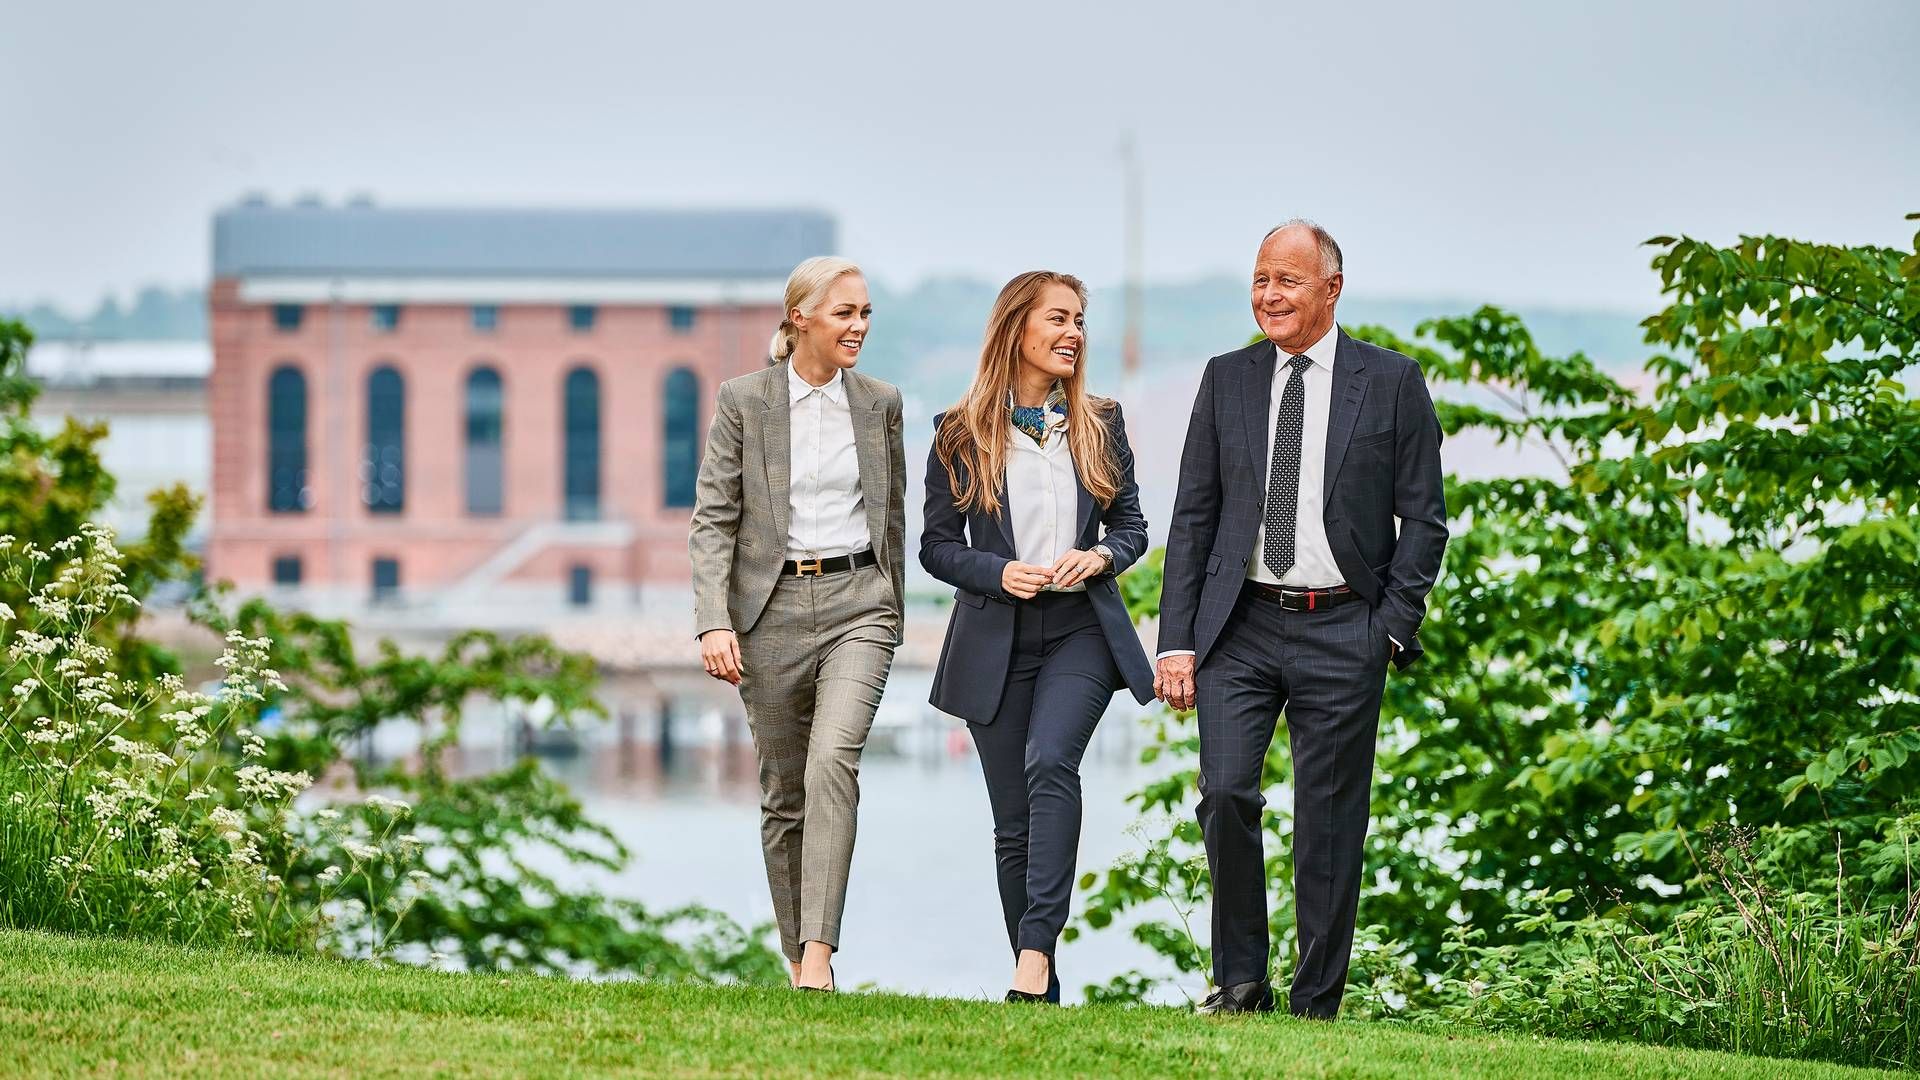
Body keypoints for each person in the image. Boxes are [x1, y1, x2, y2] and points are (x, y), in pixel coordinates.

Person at [1155, 220, 1448, 1017]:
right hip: (1239, 625)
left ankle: (1316, 1003)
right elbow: (1193, 517)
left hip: (1346, 626)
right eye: (1259, 280)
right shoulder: (1226, 378)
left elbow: (1424, 520)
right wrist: (1175, 642)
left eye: (1286, 280)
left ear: (1331, 288)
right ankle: (1242, 982)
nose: (1269, 295)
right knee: (1224, 794)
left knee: (1327, 824)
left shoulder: (1391, 381)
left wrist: (1391, 625)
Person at [921, 271, 1155, 1003]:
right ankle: (1042, 990)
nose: (1074, 333)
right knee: (1013, 822)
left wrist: (1103, 555)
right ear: (1017, 327)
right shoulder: (958, 432)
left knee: (1052, 761)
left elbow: (1134, 527)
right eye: (1059, 318)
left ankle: (1031, 956)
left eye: (1080, 320)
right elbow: (935, 547)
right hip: (996, 637)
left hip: (1082, 628)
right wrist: (998, 572)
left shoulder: (1101, 422)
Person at [688, 256, 906, 992]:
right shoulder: (743, 401)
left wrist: (892, 603)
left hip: (859, 604)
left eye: (866, 313)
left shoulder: (881, 403)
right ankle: (794, 957)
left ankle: (818, 957)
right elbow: (714, 520)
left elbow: (893, 514)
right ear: (800, 318)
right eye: (845, 312)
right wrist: (713, 622)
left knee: (831, 763)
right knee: (785, 793)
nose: (860, 326)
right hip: (769, 612)